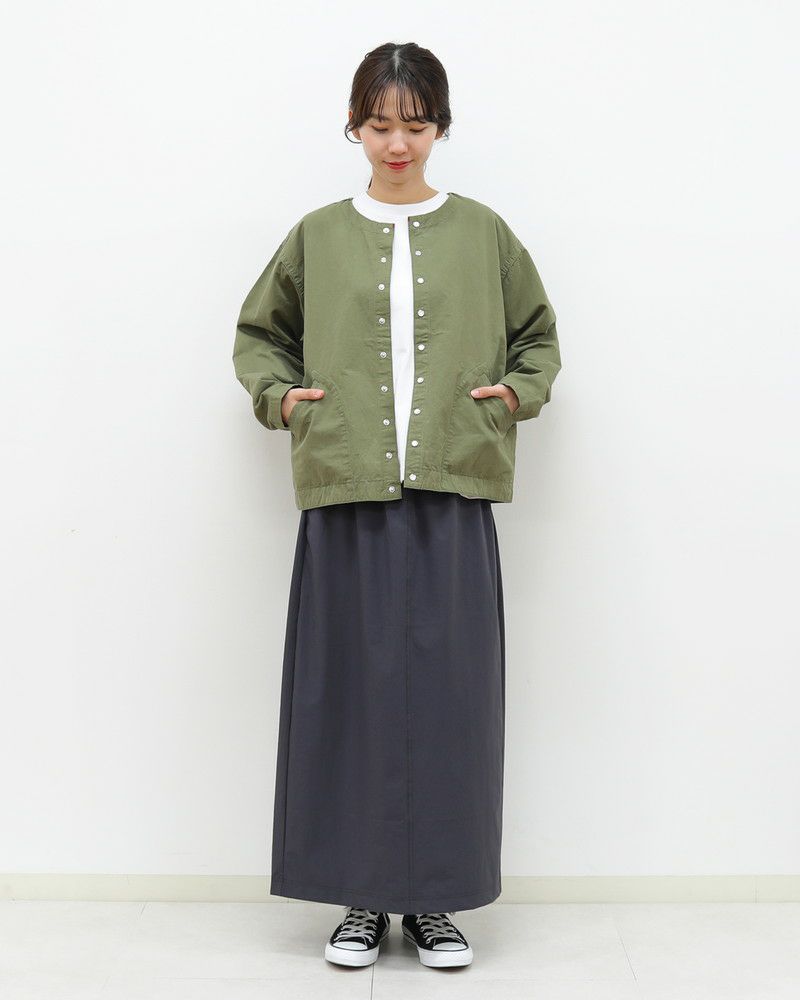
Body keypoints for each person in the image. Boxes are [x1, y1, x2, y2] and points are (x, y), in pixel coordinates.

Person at [232, 41, 561, 970]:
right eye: (379, 125)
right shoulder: (317, 234)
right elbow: (260, 337)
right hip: (346, 488)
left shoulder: (485, 233)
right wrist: (282, 400)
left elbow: (538, 340)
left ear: (441, 127)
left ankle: (436, 901)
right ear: (354, 127)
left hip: (453, 488)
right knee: (348, 698)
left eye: (415, 125)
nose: (397, 144)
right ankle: (362, 900)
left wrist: (515, 395)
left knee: (452, 702)